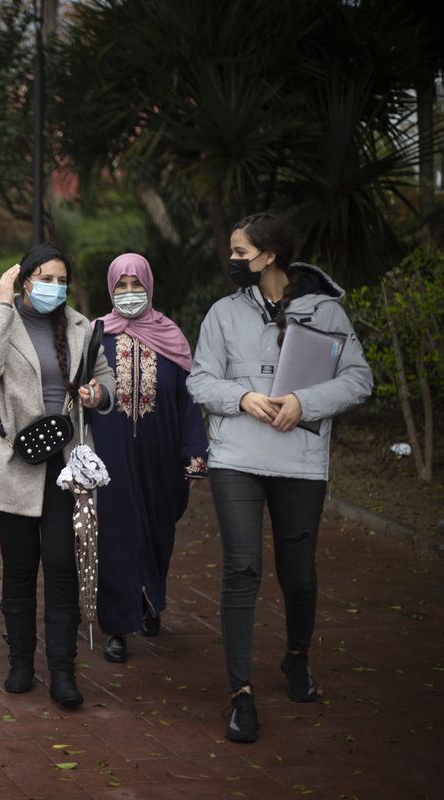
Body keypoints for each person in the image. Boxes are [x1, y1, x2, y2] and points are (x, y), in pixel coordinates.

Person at [188, 213, 372, 744]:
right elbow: (200, 379)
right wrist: (241, 396)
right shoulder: (223, 313)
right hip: (236, 458)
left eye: (240, 252)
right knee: (241, 569)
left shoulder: (326, 311)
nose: (232, 260)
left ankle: (296, 656)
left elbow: (359, 378)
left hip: (300, 461)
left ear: (268, 256)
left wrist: (303, 402)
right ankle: (240, 693)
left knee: (299, 574)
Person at [0, 244, 114, 707]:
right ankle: (20, 663)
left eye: (62, 280)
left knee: (61, 562)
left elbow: (106, 379)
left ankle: (63, 672)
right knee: (19, 565)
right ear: (25, 279)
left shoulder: (80, 326)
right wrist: (1, 303)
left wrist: (97, 394)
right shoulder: (4, 319)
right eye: (46, 278)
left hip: (66, 464)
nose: (55, 287)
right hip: (14, 460)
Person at [89, 253, 208, 664]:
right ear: (110, 289)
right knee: (116, 533)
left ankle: (149, 599)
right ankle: (118, 625)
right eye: (121, 286)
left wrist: (194, 452)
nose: (129, 293)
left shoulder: (171, 335)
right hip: (111, 452)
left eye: (136, 285)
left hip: (161, 454)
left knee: (158, 531)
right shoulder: (96, 334)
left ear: (149, 287)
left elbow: (188, 400)